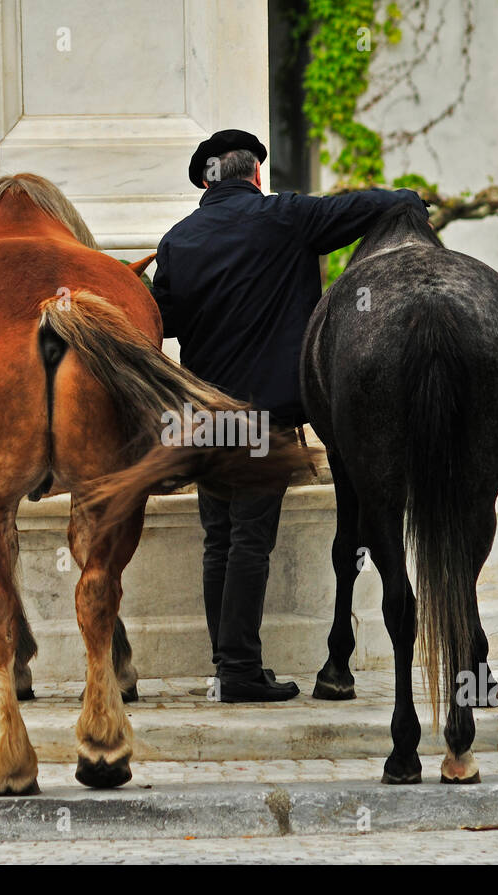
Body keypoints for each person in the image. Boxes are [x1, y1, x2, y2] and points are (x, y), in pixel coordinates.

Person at [151, 128, 427, 703]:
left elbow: (165, 320)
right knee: (249, 541)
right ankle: (240, 673)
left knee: (218, 541)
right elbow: (363, 207)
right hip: (261, 418)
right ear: (256, 175)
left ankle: (229, 666)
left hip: (203, 416)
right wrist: (406, 196)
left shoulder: (177, 241)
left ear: (207, 179)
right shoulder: (286, 217)